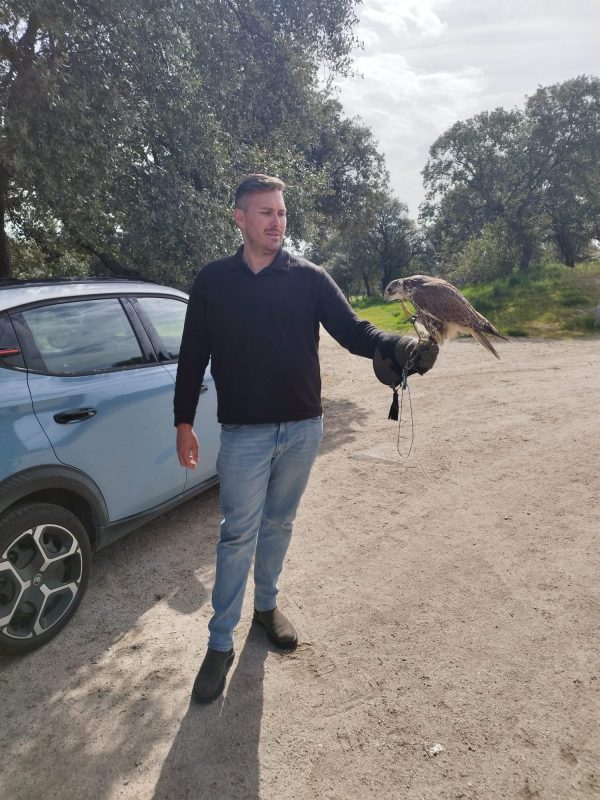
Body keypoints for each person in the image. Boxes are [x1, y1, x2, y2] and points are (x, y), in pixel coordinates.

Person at [174, 174, 438, 703]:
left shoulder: (309, 278)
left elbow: (353, 330)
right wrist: (183, 421)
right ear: (240, 218)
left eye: (282, 212)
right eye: (266, 212)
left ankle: (266, 607)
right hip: (243, 433)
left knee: (279, 523)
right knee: (236, 535)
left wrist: (399, 346)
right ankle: (220, 642)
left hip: (302, 427)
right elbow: (193, 354)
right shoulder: (213, 281)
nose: (277, 222)